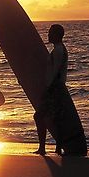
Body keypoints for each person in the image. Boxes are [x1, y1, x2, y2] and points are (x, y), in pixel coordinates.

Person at [34, 24, 68, 156]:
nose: (48, 35)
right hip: (57, 88)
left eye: (50, 33)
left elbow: (57, 72)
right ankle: (58, 148)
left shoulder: (59, 51)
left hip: (55, 88)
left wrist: (49, 89)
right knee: (56, 118)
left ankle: (43, 148)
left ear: (57, 35)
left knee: (39, 116)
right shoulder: (59, 49)